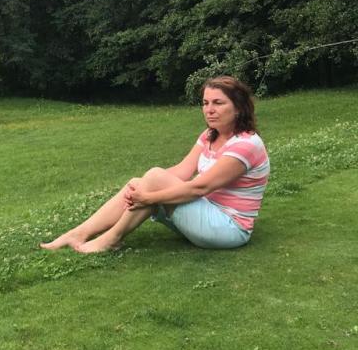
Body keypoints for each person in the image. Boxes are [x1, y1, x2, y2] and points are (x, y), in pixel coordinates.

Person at [40, 76, 269, 253]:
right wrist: (142, 187)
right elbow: (182, 171)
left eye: (218, 103)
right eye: (205, 103)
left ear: (238, 107)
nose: (209, 110)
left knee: (153, 180)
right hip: (203, 213)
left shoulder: (246, 145)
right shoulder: (210, 135)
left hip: (228, 229)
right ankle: (78, 233)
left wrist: (148, 196)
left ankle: (110, 239)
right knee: (140, 182)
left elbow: (200, 188)